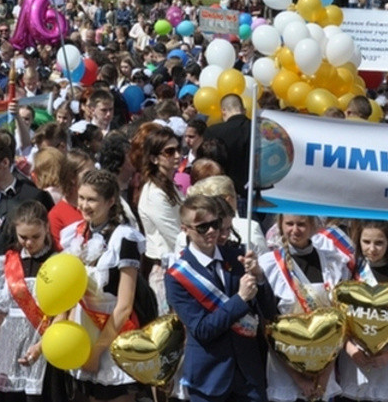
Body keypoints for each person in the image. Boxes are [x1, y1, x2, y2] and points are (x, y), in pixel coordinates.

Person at [165, 194, 276, 402]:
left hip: (248, 375)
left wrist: (260, 278)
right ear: (185, 229)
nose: (211, 231)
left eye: (215, 224)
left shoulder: (238, 257)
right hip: (209, 378)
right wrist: (240, 299)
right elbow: (202, 330)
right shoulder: (177, 276)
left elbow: (269, 311)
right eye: (202, 227)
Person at [59, 170, 146, 402]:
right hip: (80, 330)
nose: (84, 205)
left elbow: (125, 306)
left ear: (110, 202)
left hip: (113, 332)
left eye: (92, 199)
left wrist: (97, 352)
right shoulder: (74, 234)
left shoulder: (124, 238)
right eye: (81, 198)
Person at [259, 213, 352, 402]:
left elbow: (339, 324)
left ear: (312, 226)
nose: (295, 230)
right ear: (280, 225)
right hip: (284, 368)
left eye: (301, 224)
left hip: (324, 365)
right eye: (289, 224)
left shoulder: (332, 261)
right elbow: (267, 326)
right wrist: (299, 379)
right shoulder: (269, 264)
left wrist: (324, 375)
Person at [0, 201, 53, 401]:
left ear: (46, 228)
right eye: (23, 237)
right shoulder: (7, 264)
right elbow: (0, 315)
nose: (29, 243)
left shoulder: (57, 261)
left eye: (36, 236)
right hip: (9, 342)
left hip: (43, 341)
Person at [338, 219, 388, 402]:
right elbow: (338, 318)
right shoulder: (349, 272)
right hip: (354, 361)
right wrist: (350, 349)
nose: (372, 248)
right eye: (366, 242)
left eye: (379, 243)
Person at [131, 124, 183, 308]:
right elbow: (176, 235)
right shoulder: (154, 193)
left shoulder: (170, 186)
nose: (177, 155)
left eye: (178, 149)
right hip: (165, 270)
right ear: (154, 158)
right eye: (169, 152)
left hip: (177, 266)